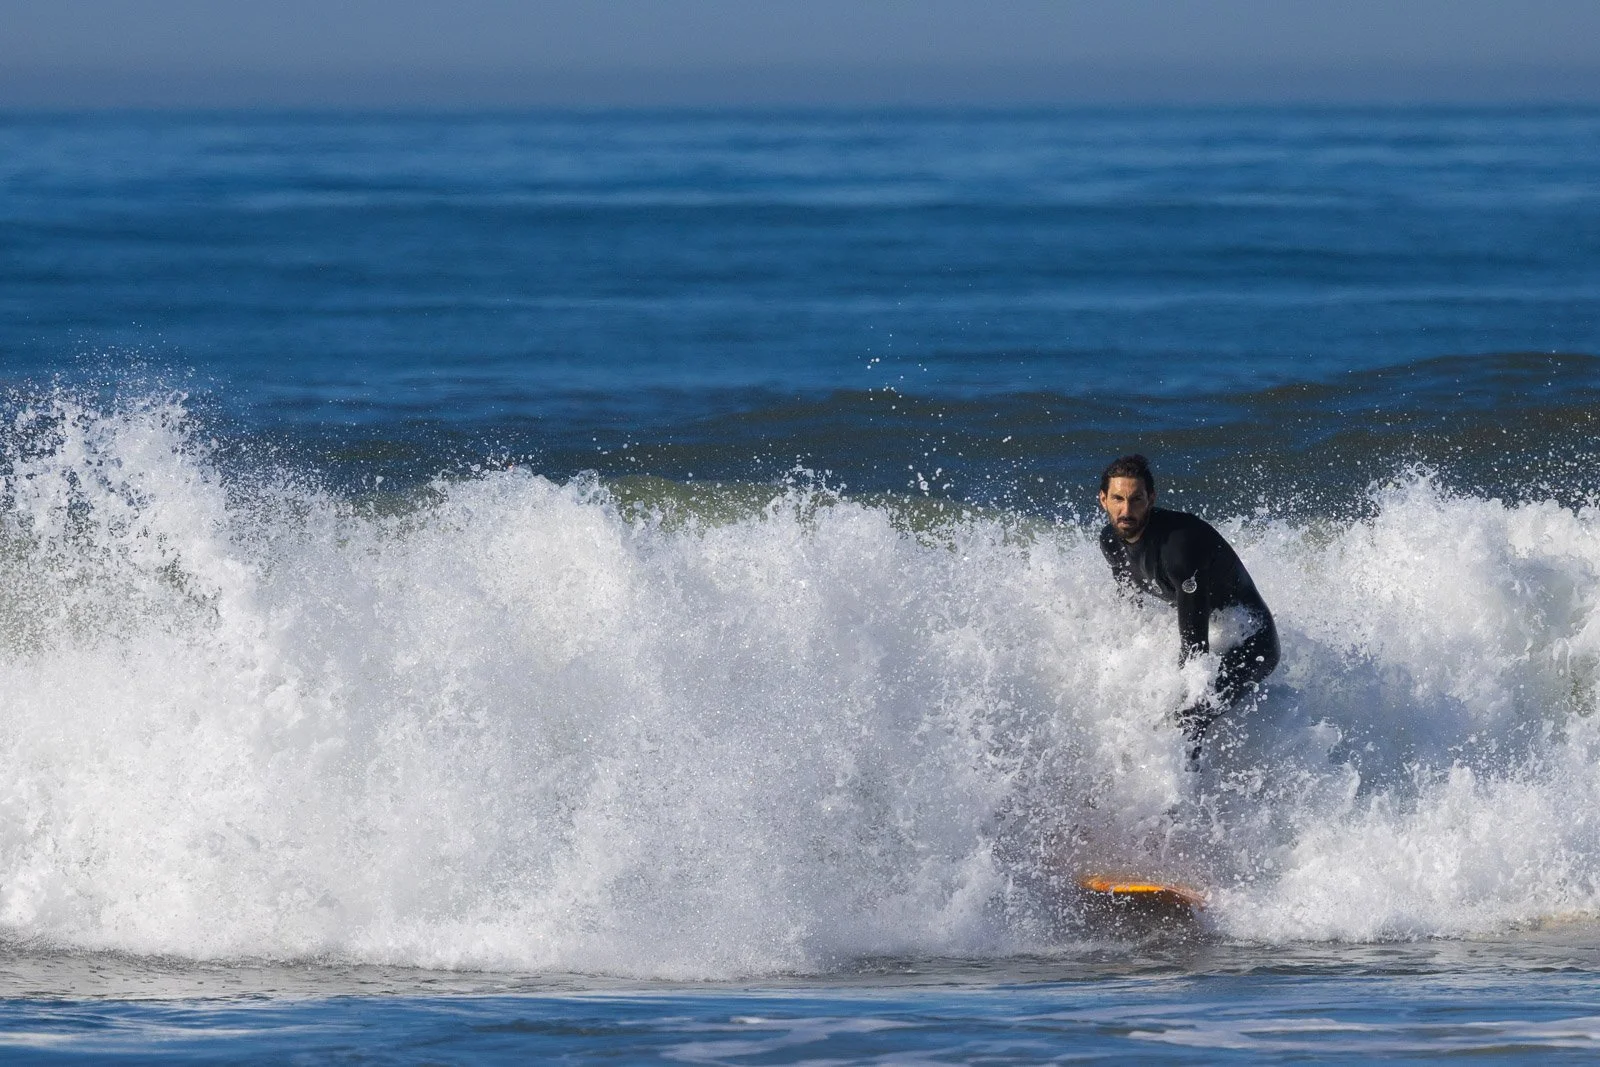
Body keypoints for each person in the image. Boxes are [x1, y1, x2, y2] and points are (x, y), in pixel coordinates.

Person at [1096, 454, 1279, 759]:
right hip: (1215, 626)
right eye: (1117, 498)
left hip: (1252, 639)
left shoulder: (1179, 548)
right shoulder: (1111, 543)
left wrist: (1184, 691)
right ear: (1103, 500)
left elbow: (1195, 649)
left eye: (1136, 499)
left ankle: (1180, 802)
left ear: (1151, 499)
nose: (1126, 510)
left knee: (1189, 714)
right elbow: (1132, 606)